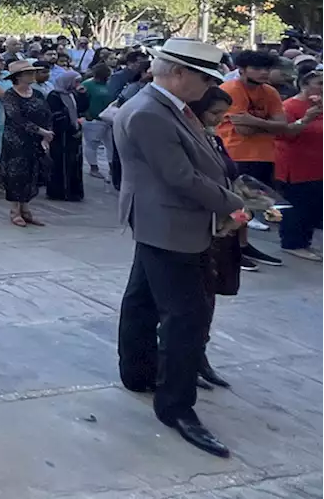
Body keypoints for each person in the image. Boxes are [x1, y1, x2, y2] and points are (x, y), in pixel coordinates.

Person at [115, 38, 247, 459]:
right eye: (205, 78)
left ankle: (137, 373)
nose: (209, 87)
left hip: (163, 220)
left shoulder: (163, 105)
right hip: (171, 222)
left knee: (142, 300)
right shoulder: (151, 112)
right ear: (177, 72)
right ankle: (176, 407)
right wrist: (236, 202)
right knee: (185, 317)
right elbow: (180, 178)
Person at [217, 50, 297, 258]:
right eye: (258, 69)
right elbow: (243, 130)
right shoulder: (231, 89)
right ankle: (232, 249)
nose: (264, 73)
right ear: (242, 70)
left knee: (250, 206)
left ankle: (242, 246)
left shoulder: (270, 92)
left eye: (267, 69)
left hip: (264, 156)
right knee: (236, 205)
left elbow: (282, 126)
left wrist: (255, 122)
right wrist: (270, 125)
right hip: (235, 154)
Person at [188, 86, 242, 391]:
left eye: (224, 114)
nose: (220, 120)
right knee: (192, 300)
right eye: (214, 114)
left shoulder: (215, 139)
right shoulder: (190, 141)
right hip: (200, 227)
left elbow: (228, 177)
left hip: (225, 227)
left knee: (209, 298)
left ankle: (200, 356)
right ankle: (184, 358)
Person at [275, 69, 324, 260]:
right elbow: (284, 134)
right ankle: (293, 243)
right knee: (298, 207)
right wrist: (306, 119)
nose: (323, 88)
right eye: (319, 83)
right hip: (297, 166)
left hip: (318, 166)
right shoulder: (290, 106)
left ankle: (306, 241)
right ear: (304, 85)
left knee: (313, 206)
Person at [0, 60, 54, 227]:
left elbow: (47, 114)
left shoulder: (37, 94)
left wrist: (46, 135)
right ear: (19, 76)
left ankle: (26, 208)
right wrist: (41, 131)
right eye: (28, 73)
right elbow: (16, 118)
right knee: (16, 174)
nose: (32, 75)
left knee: (32, 173)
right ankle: (15, 210)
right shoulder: (10, 94)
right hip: (16, 140)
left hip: (35, 140)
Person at [46, 69, 85, 202]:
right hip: (60, 136)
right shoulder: (54, 95)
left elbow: (80, 109)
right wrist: (68, 122)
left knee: (73, 162)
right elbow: (54, 115)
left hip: (72, 134)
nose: (77, 84)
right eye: (76, 82)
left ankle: (73, 191)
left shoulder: (72, 95)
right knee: (60, 163)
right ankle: (60, 192)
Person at [81, 63, 115, 178]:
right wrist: (86, 114)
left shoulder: (110, 84)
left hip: (110, 119)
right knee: (92, 144)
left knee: (111, 145)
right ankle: (93, 168)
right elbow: (80, 100)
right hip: (94, 120)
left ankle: (112, 167)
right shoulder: (87, 85)